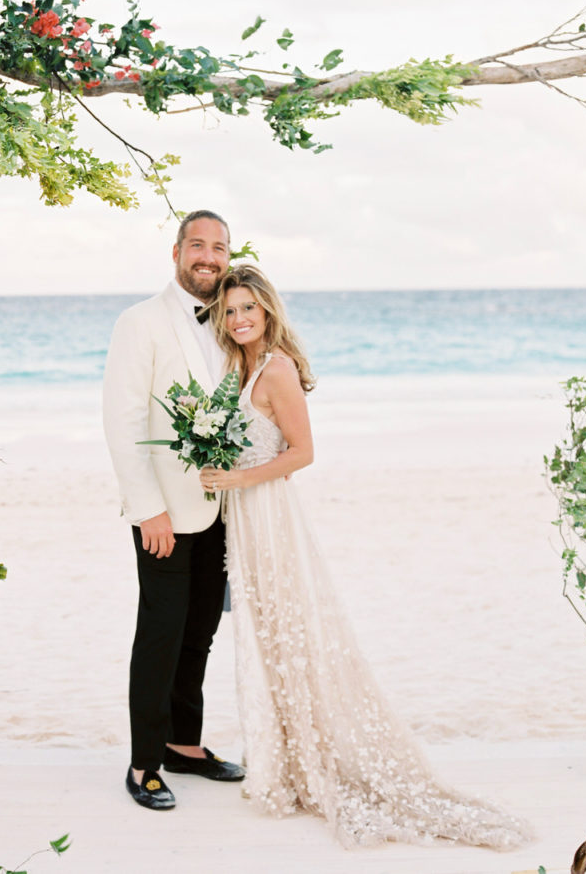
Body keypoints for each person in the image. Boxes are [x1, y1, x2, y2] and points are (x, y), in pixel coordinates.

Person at [198, 265, 529, 848]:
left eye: (248, 307)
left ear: (268, 310)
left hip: (271, 514)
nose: (240, 318)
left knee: (289, 629)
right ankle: (290, 761)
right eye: (230, 310)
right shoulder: (237, 368)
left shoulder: (275, 369)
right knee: (267, 635)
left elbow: (303, 453)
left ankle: (313, 762)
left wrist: (238, 477)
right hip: (245, 518)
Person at [103, 210, 245, 811]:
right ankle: (143, 763)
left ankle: (184, 744)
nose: (207, 257)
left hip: (222, 511)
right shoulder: (140, 322)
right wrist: (147, 510)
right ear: (177, 252)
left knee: (200, 632)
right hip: (164, 515)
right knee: (160, 634)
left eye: (218, 248)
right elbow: (125, 420)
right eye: (197, 245)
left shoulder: (233, 323)